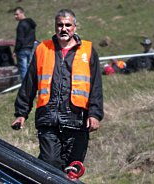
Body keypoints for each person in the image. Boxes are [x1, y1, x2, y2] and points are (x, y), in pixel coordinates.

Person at [12, 9, 104, 170]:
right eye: (60, 25)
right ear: (55, 27)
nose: (64, 29)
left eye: (68, 25)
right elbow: (29, 82)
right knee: (50, 164)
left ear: (74, 27)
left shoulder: (88, 51)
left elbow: (96, 85)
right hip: (48, 119)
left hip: (77, 121)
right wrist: (21, 113)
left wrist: (95, 114)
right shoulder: (42, 49)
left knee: (72, 170)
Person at [14, 7, 38, 81]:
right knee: (30, 69)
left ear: (22, 13)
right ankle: (31, 86)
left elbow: (20, 39)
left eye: (17, 14)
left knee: (23, 70)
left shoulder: (21, 25)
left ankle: (25, 88)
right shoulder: (31, 23)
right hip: (31, 48)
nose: (15, 16)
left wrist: (15, 51)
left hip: (22, 49)